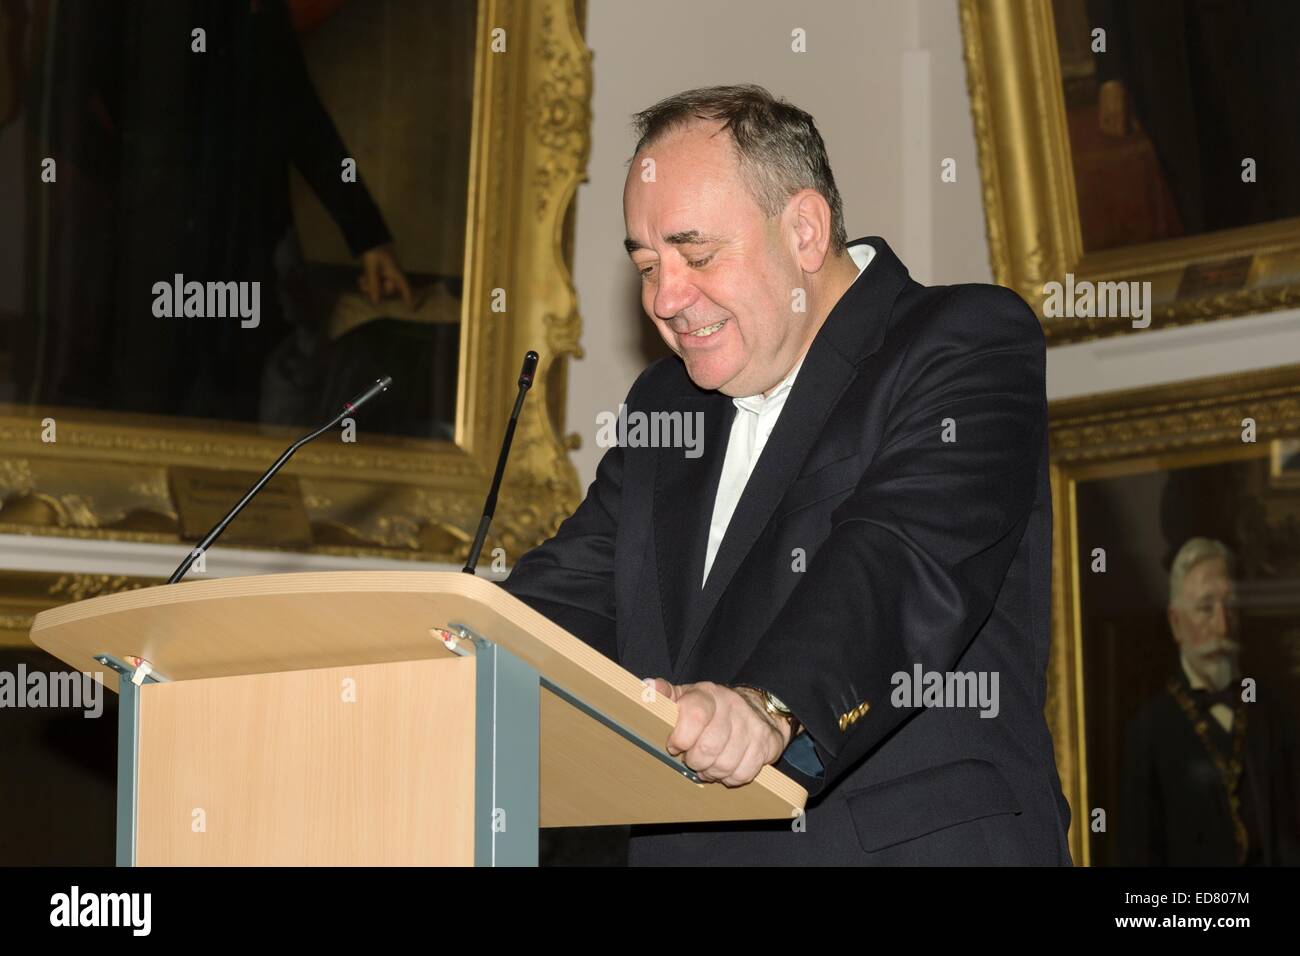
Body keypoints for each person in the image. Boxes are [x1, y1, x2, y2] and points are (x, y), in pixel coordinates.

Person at [502, 84, 1071, 865]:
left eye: (697, 254)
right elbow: (567, 599)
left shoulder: (961, 341)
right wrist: (430, 663)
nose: (665, 298)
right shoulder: (666, 406)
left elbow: (898, 563)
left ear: (804, 228)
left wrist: (771, 706)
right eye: (646, 266)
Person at [1120, 537, 1300, 865]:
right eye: (1205, 608)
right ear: (1176, 623)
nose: (1222, 625)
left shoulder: (1273, 712)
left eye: (1229, 607)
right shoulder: (1148, 730)